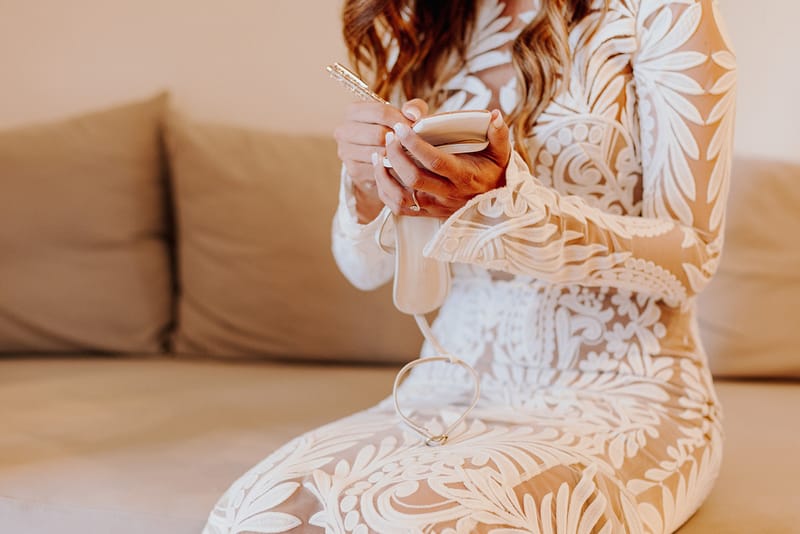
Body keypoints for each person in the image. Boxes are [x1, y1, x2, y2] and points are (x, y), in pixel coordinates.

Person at [204, 0, 736, 531]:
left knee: (435, 523)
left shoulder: (664, 12)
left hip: (619, 395)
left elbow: (693, 257)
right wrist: (369, 186)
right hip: (443, 391)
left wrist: (505, 208)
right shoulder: (428, 20)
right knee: (258, 514)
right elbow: (363, 269)